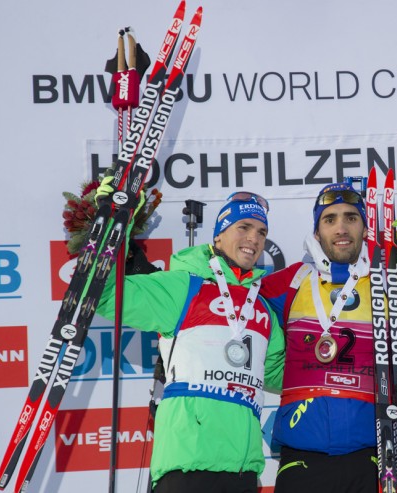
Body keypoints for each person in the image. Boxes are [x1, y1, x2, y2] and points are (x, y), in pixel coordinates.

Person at [96, 190, 285, 493]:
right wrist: (115, 219)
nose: (254, 238)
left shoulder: (262, 308)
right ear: (219, 235)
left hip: (244, 469)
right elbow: (103, 294)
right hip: (186, 464)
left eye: (261, 232)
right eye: (244, 227)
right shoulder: (184, 287)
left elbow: (282, 377)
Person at [260, 182, 380, 493]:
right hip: (302, 457)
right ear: (316, 232)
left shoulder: (388, 282)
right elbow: (230, 295)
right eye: (329, 220)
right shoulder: (290, 282)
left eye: (351, 218)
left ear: (365, 228)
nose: (341, 228)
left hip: (369, 455)